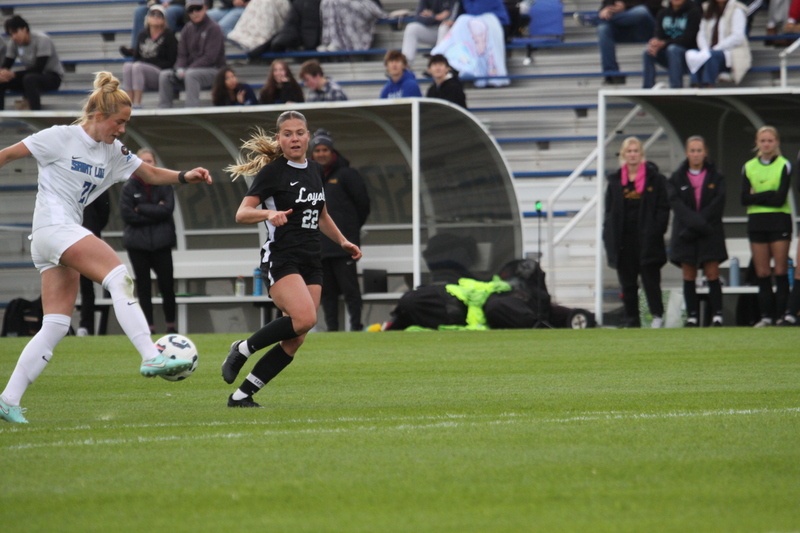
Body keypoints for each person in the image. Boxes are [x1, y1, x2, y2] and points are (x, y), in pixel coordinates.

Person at [0, 71, 212, 424]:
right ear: (99, 116)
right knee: (119, 277)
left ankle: (8, 399)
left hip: (57, 235)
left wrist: (185, 175)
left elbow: (148, 173)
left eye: (126, 123)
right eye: (119, 122)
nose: (122, 129)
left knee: (54, 324)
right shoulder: (60, 137)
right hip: (54, 227)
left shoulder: (114, 151)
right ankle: (150, 354)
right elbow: (6, 155)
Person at [220, 110, 361, 408]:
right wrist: (268, 213)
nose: (294, 138)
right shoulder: (273, 173)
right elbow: (242, 213)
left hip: (312, 260)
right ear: (279, 139)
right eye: (287, 133)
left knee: (297, 336)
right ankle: (243, 348)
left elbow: (320, 214)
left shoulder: (315, 170)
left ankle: (242, 395)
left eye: (299, 132)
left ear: (308, 137)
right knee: (305, 318)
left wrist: (343, 240)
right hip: (282, 258)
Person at [603, 136, 669, 328]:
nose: (632, 155)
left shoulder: (655, 180)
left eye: (636, 151)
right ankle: (632, 319)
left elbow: (663, 208)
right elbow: (609, 211)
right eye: (629, 151)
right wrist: (608, 234)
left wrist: (656, 230)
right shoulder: (615, 181)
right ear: (624, 155)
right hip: (623, 239)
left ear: (642, 154)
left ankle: (657, 315)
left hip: (647, 239)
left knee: (651, 281)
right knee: (628, 284)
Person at [310, 129, 371, 332]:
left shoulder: (347, 174)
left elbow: (363, 205)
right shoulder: (311, 177)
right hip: (320, 246)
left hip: (344, 245)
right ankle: (332, 330)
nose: (321, 154)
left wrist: (349, 230)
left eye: (324, 149)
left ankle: (356, 327)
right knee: (327, 292)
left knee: (350, 289)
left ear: (332, 151)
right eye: (317, 150)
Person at [667, 136, 728, 327]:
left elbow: (718, 203)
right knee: (689, 274)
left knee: (712, 273)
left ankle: (717, 315)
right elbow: (677, 204)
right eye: (692, 150)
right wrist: (695, 223)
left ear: (705, 152)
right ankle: (692, 316)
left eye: (699, 150)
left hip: (709, 231)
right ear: (687, 153)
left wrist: (700, 223)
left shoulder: (716, 176)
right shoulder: (676, 178)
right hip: (686, 233)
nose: (696, 154)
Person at [119, 148, 179, 335]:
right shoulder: (128, 187)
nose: (147, 164)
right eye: (143, 160)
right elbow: (128, 215)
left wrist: (141, 208)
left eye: (150, 161)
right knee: (143, 288)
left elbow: (167, 210)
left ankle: (171, 325)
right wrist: (154, 211)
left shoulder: (165, 184)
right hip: (137, 245)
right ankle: (149, 327)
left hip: (162, 244)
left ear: (155, 163)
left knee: (167, 286)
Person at [741, 126, 792, 327]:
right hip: (757, 221)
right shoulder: (749, 167)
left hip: (779, 220)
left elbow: (780, 199)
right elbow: (744, 198)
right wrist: (767, 194)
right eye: (763, 141)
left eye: (770, 140)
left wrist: (757, 196)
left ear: (776, 142)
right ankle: (766, 317)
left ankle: (781, 316)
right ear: (757, 143)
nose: (766, 144)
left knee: (779, 271)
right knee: (762, 273)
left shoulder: (784, 165)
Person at [158, 0, 226, 108]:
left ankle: (191, 110)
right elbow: (182, 55)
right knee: (165, 75)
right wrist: (179, 68)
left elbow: (210, 58)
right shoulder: (187, 29)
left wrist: (188, 69)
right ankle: (163, 111)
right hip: (190, 70)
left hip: (214, 71)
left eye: (198, 8)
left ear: (205, 8)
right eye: (191, 10)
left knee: (191, 75)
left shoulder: (214, 28)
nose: (195, 12)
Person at [431, 1, 510, 88]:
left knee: (463, 20)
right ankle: (461, 64)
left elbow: (475, 11)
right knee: (458, 23)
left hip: (496, 23)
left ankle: (466, 66)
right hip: (474, 23)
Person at [584, 0, 660, 85]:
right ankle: (612, 74)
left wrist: (625, 7)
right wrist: (606, 9)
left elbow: (655, 6)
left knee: (642, 11)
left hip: (645, 28)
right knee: (603, 29)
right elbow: (606, 4)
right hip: (624, 28)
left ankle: (595, 19)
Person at [0, 15, 64, 111]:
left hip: (51, 76)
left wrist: (13, 74)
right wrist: (2, 74)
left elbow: (39, 68)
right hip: (30, 77)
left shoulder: (42, 39)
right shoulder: (13, 44)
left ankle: (35, 113)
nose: (14, 37)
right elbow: (7, 64)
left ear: (24, 29)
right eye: (11, 34)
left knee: (30, 79)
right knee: (2, 81)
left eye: (15, 32)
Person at [122, 4, 179, 109]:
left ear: (164, 20)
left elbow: (171, 61)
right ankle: (128, 104)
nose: (156, 17)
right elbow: (137, 57)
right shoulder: (142, 34)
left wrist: (148, 63)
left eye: (159, 15)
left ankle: (137, 103)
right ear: (147, 18)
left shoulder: (169, 36)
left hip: (161, 74)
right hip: (142, 72)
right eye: (153, 14)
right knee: (128, 66)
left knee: (138, 66)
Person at [685, 0, 751, 87]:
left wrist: (717, 48)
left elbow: (737, 37)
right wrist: (705, 49)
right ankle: (695, 85)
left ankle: (708, 85)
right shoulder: (708, 9)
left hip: (731, 51)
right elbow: (701, 33)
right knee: (692, 54)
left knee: (712, 56)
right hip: (709, 50)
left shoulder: (736, 9)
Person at [642, 0, 701, 88]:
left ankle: (676, 86)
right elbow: (659, 33)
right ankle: (647, 87)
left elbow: (689, 38)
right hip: (668, 50)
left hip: (689, 52)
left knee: (673, 49)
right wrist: (655, 42)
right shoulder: (663, 13)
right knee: (648, 51)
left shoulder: (694, 12)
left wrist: (665, 43)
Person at [77, 190, 110, 337]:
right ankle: (59, 324)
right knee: (81, 285)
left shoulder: (98, 183)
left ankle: (85, 325)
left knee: (86, 285)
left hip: (86, 238)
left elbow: (104, 212)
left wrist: (92, 228)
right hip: (67, 237)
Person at [318, 0, 387, 52]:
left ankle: (341, 42)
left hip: (365, 4)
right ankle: (329, 41)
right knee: (326, 1)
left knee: (340, 2)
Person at [401, 0, 456, 65]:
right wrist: (436, 17)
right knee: (411, 28)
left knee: (444, 27)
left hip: (452, 34)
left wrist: (432, 16)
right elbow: (418, 17)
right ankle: (405, 65)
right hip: (434, 30)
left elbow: (453, 18)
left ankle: (438, 63)